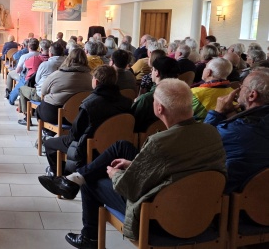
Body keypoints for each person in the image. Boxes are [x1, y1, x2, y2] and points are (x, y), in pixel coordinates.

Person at [38, 79, 226, 247]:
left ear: (159, 108)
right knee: (122, 146)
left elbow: (130, 188)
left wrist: (115, 174)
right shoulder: (211, 132)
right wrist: (134, 164)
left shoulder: (160, 142)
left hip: (158, 213)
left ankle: (89, 237)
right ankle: (74, 179)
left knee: (92, 181)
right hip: (199, 208)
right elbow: (179, 165)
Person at [44, 65, 132, 175]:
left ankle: (61, 175)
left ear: (96, 82)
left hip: (89, 148)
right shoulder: (127, 102)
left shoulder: (90, 104)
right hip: (116, 146)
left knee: (49, 143)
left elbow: (75, 134)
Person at [204, 69, 269, 194]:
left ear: (252, 95)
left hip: (235, 200)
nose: (239, 89)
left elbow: (202, 143)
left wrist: (216, 113)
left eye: (242, 86)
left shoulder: (234, 130)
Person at [36, 48, 93, 126]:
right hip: (80, 115)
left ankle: (48, 132)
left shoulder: (57, 74)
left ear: (68, 58)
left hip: (54, 114)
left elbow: (43, 91)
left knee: (38, 110)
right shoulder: (91, 77)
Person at [131, 56, 180, 133]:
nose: (151, 71)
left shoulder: (147, 99)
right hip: (171, 135)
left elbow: (131, 123)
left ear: (157, 73)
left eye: (152, 69)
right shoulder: (181, 96)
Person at [18, 43, 65, 120]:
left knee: (22, 89)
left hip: (43, 95)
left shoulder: (45, 64)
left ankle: (27, 118)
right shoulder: (66, 63)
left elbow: (37, 80)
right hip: (61, 94)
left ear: (51, 53)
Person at [191, 57, 233, 122]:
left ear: (208, 72)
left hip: (199, 129)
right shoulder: (232, 93)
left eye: (205, 67)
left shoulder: (194, 93)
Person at [5, 38, 40, 103]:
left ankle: (8, 93)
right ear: (38, 46)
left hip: (26, 77)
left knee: (10, 74)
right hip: (37, 77)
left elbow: (18, 70)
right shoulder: (40, 55)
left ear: (28, 47)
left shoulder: (24, 56)